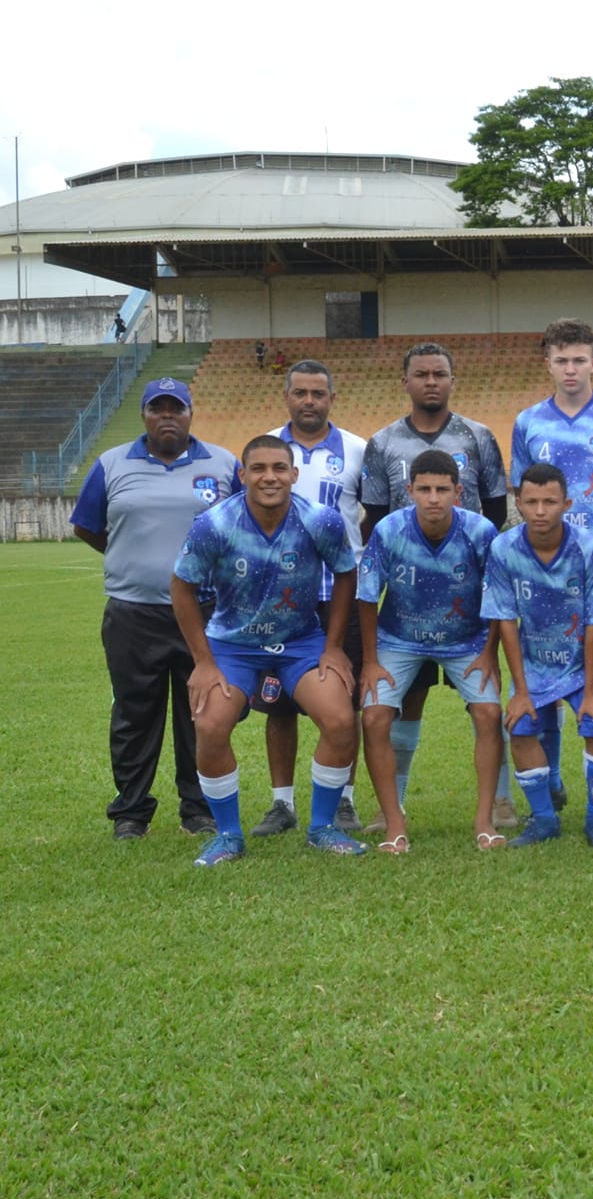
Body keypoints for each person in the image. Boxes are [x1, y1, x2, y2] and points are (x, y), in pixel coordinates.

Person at [170, 435, 362, 864]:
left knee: (340, 719)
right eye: (258, 469)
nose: (269, 477)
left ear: (294, 474)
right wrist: (203, 661)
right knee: (211, 724)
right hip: (233, 644)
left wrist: (332, 646)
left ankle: (322, 827)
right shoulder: (215, 524)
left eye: (279, 468)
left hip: (300, 641)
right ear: (243, 476)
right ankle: (228, 835)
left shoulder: (321, 521)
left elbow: (346, 574)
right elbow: (181, 588)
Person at [71, 377, 241, 840]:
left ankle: (199, 808)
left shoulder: (224, 464)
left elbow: (246, 526)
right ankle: (131, 812)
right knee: (134, 712)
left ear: (190, 414)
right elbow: (87, 526)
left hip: (206, 613)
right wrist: (131, 557)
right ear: (144, 415)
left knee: (202, 714)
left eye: (177, 408)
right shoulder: (111, 464)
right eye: (157, 409)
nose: (168, 416)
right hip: (134, 612)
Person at [359, 342, 509, 831]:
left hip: (465, 601)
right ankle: (392, 807)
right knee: (407, 702)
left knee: (487, 708)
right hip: (406, 603)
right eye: (420, 374)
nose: (430, 381)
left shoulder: (479, 436)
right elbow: (375, 515)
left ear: (451, 379)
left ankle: (500, 803)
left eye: (439, 374)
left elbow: (498, 506)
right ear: (405, 381)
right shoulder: (382, 443)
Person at [506, 319, 593, 814]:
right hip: (546, 566)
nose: (570, 369)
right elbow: (521, 493)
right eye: (561, 360)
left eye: (579, 359)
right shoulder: (528, 422)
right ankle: (554, 779)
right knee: (545, 674)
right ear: (548, 363)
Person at [248, 360, 368, 840]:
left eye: (318, 393)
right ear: (287, 397)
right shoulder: (267, 449)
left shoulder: (359, 450)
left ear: (331, 398)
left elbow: (370, 519)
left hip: (341, 595)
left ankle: (344, 801)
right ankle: (282, 804)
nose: (309, 401)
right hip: (280, 599)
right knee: (277, 704)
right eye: (300, 393)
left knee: (344, 700)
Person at [484, 463, 593, 849]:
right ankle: (544, 820)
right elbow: (506, 621)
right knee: (521, 727)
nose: (540, 510)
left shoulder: (588, 548)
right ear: (518, 503)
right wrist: (520, 690)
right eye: (531, 502)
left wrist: (592, 690)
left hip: (582, 661)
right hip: (535, 661)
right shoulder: (504, 548)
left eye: (549, 502)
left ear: (567, 503)